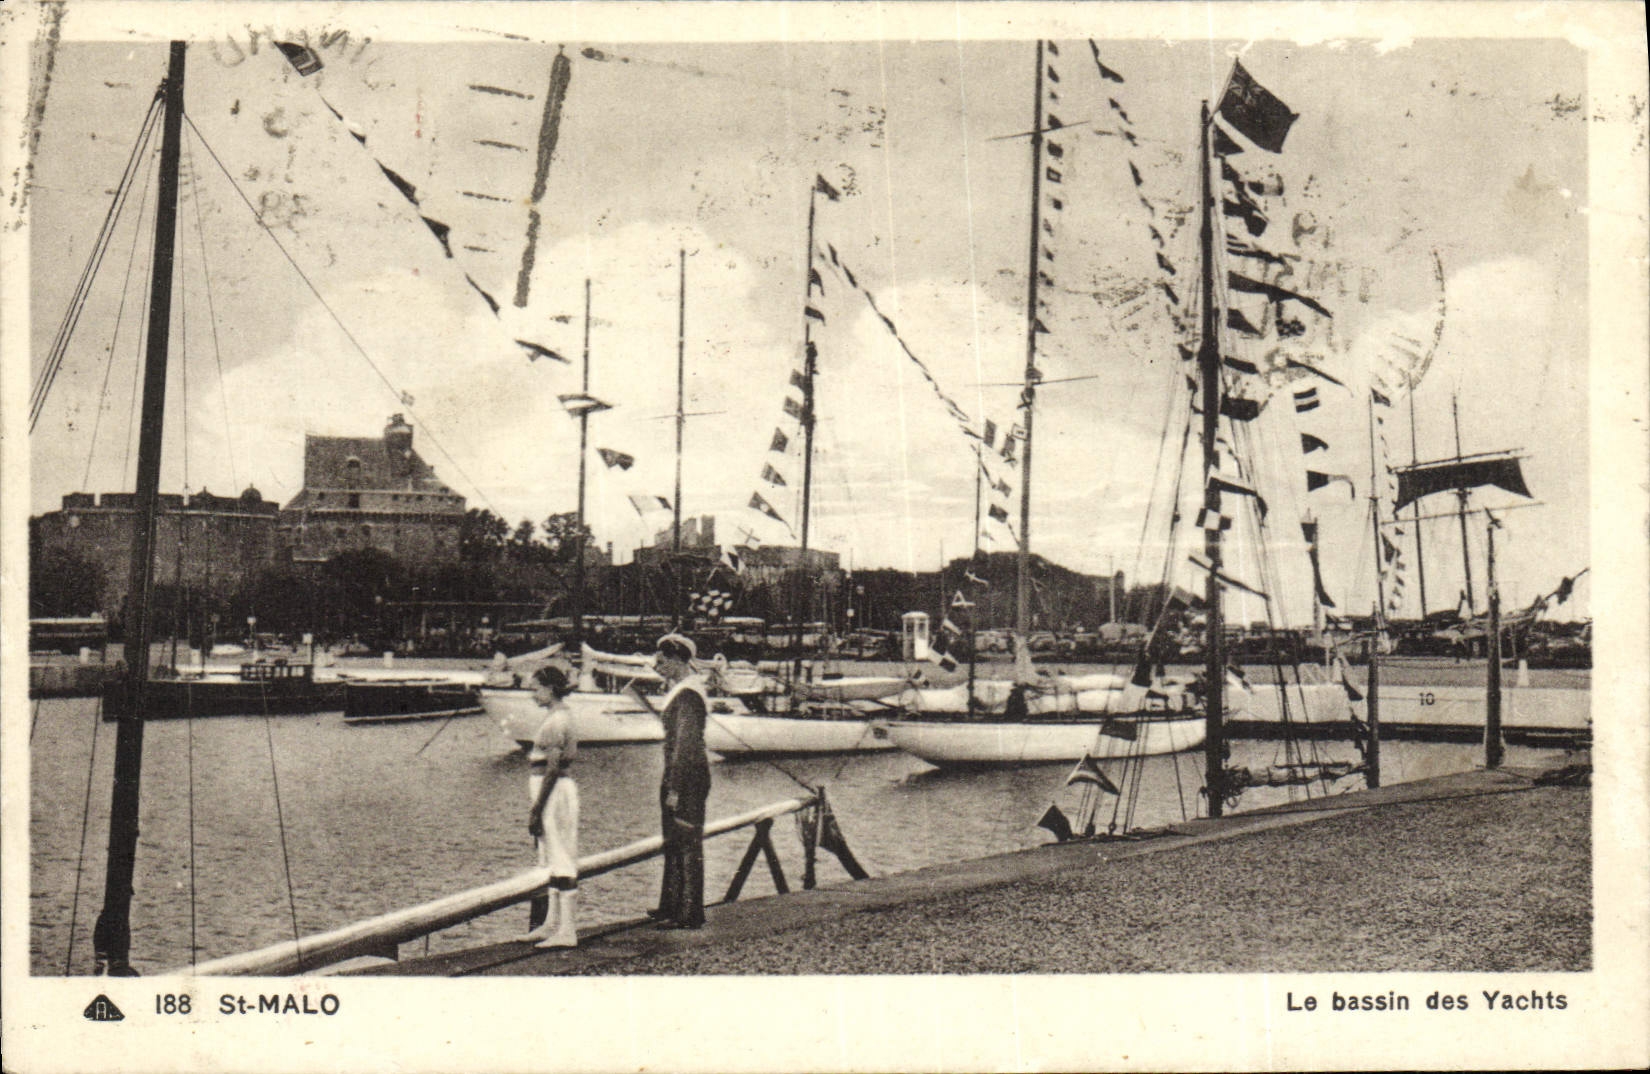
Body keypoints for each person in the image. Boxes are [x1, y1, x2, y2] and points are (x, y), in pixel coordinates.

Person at [516, 664, 580, 947]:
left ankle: (567, 930)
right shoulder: (557, 716)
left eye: (536, 689)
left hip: (554, 793)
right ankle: (552, 924)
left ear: (550, 688)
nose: (532, 695)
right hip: (550, 792)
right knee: (553, 859)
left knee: (562, 859)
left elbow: (553, 768)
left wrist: (537, 808)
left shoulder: (557, 721)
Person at [650, 633, 710, 929]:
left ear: (676, 660)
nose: (655, 666)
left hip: (687, 778)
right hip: (682, 774)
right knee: (673, 840)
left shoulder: (687, 695)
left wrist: (674, 787)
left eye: (661, 661)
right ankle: (671, 905)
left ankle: (688, 912)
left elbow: (685, 747)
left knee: (685, 843)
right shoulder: (684, 691)